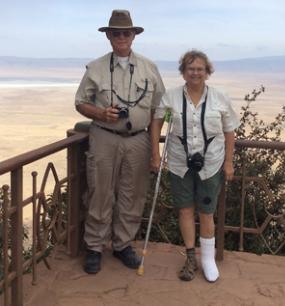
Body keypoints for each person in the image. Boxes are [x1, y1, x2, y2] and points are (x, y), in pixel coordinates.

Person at [75, 10, 165, 274]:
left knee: (133, 193)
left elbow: (159, 109)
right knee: (100, 191)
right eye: (117, 33)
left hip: (139, 139)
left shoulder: (150, 68)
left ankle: (123, 244)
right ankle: (94, 246)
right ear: (109, 37)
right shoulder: (95, 68)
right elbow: (80, 102)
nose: (122, 37)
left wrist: (154, 149)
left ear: (134, 36)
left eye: (127, 32)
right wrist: (101, 114)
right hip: (104, 137)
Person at [150, 50, 239, 282]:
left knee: (207, 213)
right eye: (191, 69)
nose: (195, 73)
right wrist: (155, 155)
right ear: (183, 72)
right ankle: (190, 257)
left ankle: (207, 260)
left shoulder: (220, 98)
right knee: (185, 210)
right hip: (180, 164)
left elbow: (230, 131)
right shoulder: (170, 98)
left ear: (207, 72)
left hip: (211, 164)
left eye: (200, 69)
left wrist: (229, 162)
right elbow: (157, 123)